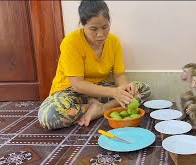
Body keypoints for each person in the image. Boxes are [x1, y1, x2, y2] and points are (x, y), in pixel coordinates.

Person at [38, 0, 151, 130]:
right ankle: (90, 107)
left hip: (99, 90)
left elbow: (119, 75)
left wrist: (125, 89)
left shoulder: (114, 42)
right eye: (93, 29)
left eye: (105, 27)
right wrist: (114, 93)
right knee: (49, 116)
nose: (100, 34)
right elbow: (77, 85)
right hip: (70, 91)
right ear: (83, 24)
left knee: (143, 89)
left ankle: (100, 109)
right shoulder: (71, 42)